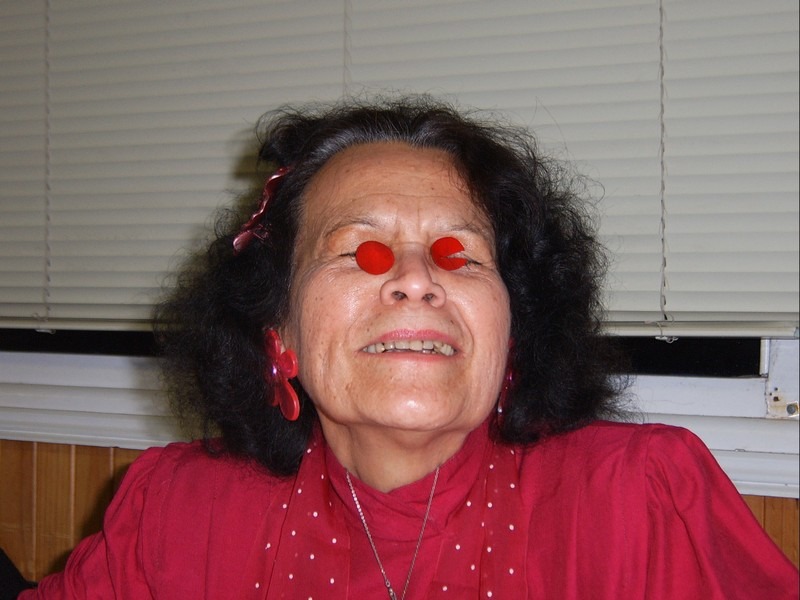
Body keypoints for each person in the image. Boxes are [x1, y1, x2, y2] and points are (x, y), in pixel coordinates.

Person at [20, 96, 798, 598]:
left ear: (514, 327)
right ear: (277, 331)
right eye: (359, 251)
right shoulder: (174, 510)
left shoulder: (642, 500)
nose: (418, 279)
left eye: (461, 255)